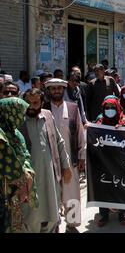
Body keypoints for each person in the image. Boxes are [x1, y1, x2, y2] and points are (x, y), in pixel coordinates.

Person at [21, 89, 72, 233]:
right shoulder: (19, 120)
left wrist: (66, 165)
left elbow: (59, 141)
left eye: (35, 103)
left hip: (50, 175)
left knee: (52, 210)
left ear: (42, 103)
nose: (31, 106)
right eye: (28, 102)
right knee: (32, 215)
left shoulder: (48, 116)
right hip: (30, 179)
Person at [44, 79, 86, 233]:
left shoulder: (73, 108)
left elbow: (80, 133)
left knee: (72, 194)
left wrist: (82, 156)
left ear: (63, 90)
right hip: (49, 162)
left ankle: (72, 225)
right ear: (49, 91)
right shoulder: (43, 109)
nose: (56, 91)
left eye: (59, 88)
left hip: (71, 160)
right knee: (52, 194)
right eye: (53, 88)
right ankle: (53, 225)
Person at [0, 97, 37, 233]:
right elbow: (6, 157)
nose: (22, 118)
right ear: (10, 112)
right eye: (20, 113)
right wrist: (20, 180)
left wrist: (27, 173)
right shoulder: (1, 135)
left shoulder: (16, 133)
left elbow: (25, 154)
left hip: (16, 194)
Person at [96, 97, 125, 227]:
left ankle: (122, 214)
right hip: (104, 161)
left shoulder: (124, 120)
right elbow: (93, 135)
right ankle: (104, 215)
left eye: (112, 108)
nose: (109, 110)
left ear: (117, 108)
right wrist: (89, 128)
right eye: (107, 108)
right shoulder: (100, 121)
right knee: (104, 187)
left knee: (121, 188)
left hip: (120, 162)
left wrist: (123, 130)